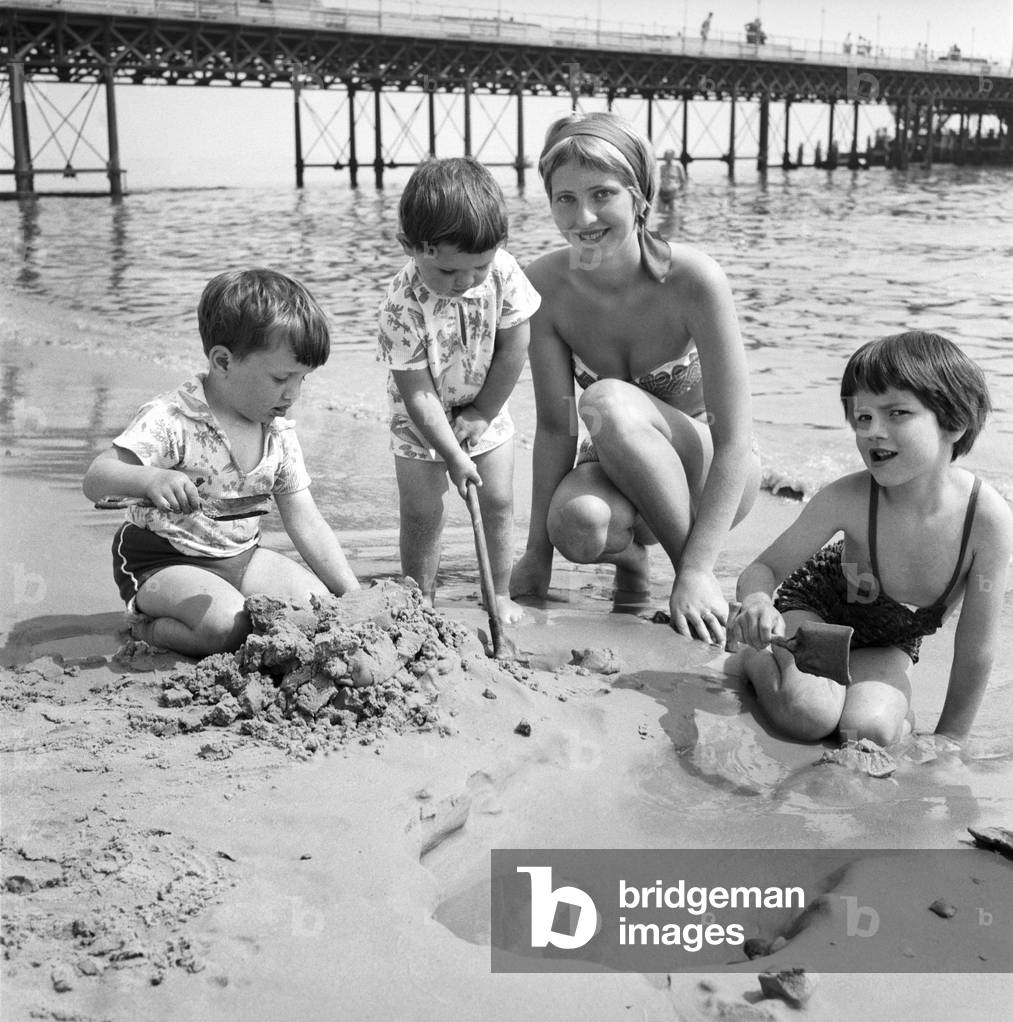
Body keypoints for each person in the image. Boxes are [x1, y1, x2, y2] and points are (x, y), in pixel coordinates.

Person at [510, 112, 760, 643]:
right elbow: (556, 431)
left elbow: (737, 439)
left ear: (640, 197)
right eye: (565, 199)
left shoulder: (695, 279)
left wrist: (696, 569)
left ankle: (691, 574)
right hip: (618, 470)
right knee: (575, 526)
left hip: (710, 473)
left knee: (608, 402)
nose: (583, 217)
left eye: (602, 194)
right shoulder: (544, 285)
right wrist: (537, 556)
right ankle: (634, 565)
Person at [730, 332, 1013, 745]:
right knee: (807, 715)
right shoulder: (850, 498)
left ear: (954, 423)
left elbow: (975, 648)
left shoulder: (986, 522)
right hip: (814, 614)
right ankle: (754, 655)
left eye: (896, 413)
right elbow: (765, 568)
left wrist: (951, 738)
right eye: (863, 418)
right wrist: (757, 602)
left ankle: (884, 707)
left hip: (886, 643)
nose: (873, 431)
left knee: (868, 730)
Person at [82, 268, 360, 657]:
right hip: (162, 560)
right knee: (226, 629)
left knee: (317, 612)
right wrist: (151, 480)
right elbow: (97, 479)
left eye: (303, 379)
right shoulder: (173, 420)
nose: (293, 393)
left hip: (241, 557)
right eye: (282, 378)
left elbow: (306, 521)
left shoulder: (277, 431)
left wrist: (351, 594)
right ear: (223, 361)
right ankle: (150, 631)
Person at [377, 156, 540, 622]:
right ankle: (421, 600)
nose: (466, 282)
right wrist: (451, 453)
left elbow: (515, 348)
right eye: (449, 273)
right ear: (411, 246)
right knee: (422, 511)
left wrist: (484, 413)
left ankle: (499, 593)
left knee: (497, 501)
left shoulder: (504, 273)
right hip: (419, 419)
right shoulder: (400, 302)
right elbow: (418, 392)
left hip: (486, 404)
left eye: (478, 268)